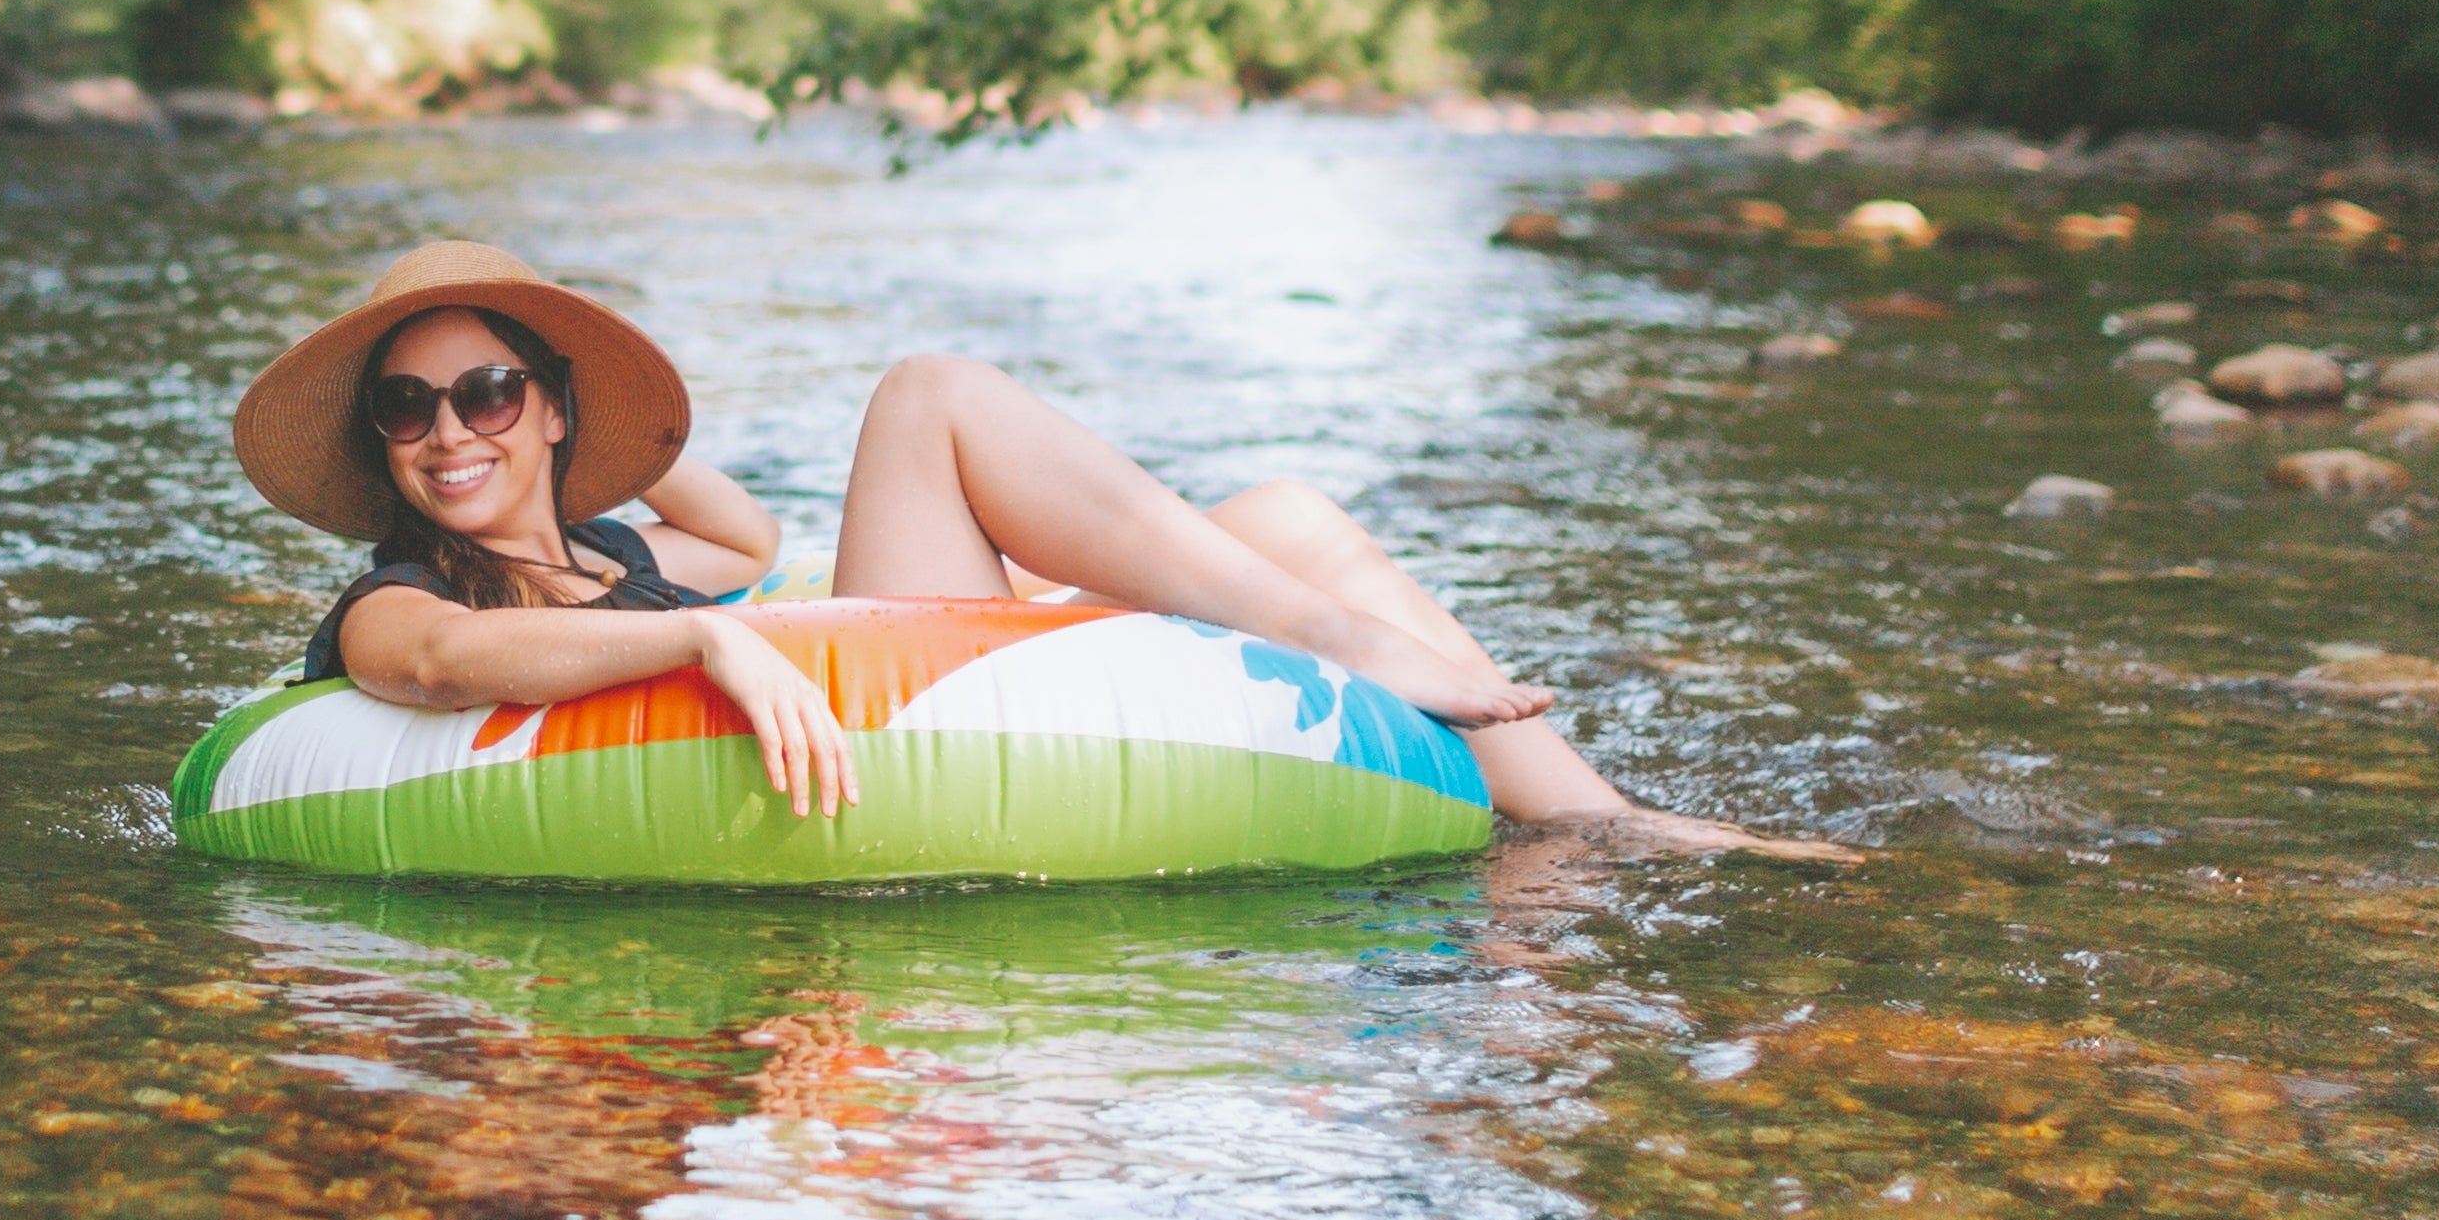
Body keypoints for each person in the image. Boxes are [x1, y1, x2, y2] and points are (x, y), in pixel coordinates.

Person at [225, 237, 1857, 860]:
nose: (452, 434)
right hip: (834, 687)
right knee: (928, 391)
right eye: (412, 410)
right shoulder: (400, 604)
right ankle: (1386, 673)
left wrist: (581, 443)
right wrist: (708, 640)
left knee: (1286, 513)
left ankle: (1609, 826)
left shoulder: (614, 548)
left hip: (821, 622)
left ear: (547, 405)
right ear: (377, 444)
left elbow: (751, 536)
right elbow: (444, 668)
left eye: (489, 392)